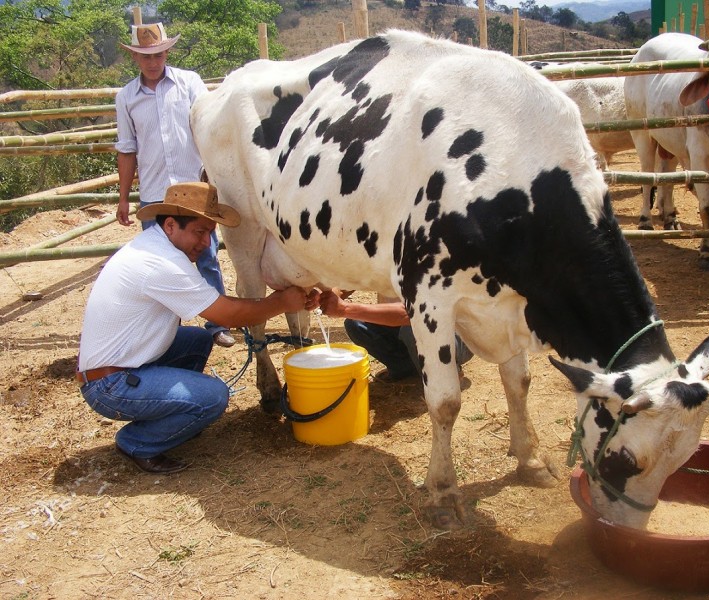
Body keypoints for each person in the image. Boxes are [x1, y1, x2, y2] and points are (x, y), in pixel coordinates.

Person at [77, 182, 318, 474]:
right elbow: (226, 315)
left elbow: (216, 302)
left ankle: (175, 413)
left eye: (210, 234)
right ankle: (138, 441)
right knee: (214, 397)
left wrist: (277, 300)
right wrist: (281, 301)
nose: (205, 243)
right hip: (109, 386)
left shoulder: (155, 247)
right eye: (199, 232)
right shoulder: (160, 263)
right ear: (170, 225)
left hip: (119, 365)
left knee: (198, 340)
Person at [114, 22, 236, 348]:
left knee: (205, 255)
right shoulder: (126, 97)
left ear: (167, 51)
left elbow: (209, 128)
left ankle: (217, 323)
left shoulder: (190, 83)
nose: (152, 62)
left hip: (194, 191)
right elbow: (127, 149)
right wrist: (124, 198)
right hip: (154, 195)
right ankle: (166, 333)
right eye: (145, 56)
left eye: (157, 54)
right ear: (136, 58)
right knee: (160, 267)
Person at [318, 289, 473, 383]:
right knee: (355, 324)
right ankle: (404, 368)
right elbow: (346, 283)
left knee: (412, 328)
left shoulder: (426, 254)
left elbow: (410, 314)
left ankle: (446, 374)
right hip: (403, 325)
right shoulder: (381, 252)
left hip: (452, 336)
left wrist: (344, 308)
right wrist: (324, 295)